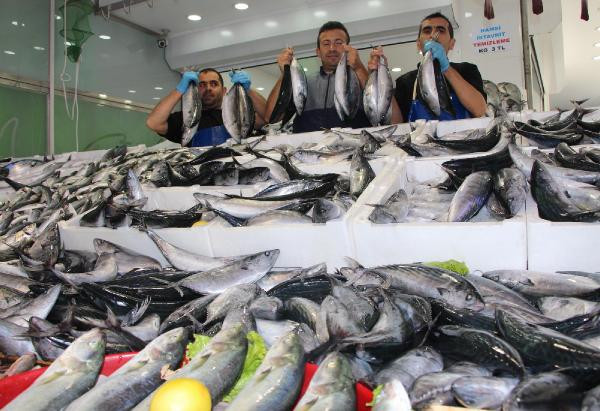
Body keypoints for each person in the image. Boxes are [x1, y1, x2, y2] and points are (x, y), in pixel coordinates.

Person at [266, 21, 402, 133]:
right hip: (307, 154)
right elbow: (271, 117)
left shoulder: (361, 77)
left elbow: (395, 121)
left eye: (338, 43)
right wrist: (285, 73)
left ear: (348, 48)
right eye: (326, 43)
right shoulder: (303, 82)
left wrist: (359, 68)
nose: (332, 48)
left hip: (355, 154)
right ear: (318, 52)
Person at [391, 12, 487, 122]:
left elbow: (480, 110)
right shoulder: (405, 81)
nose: (433, 35)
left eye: (441, 30)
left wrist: (446, 68)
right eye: (427, 31)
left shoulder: (467, 70)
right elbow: (396, 123)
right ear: (418, 44)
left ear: (452, 43)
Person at [146, 68, 267, 146]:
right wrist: (180, 89)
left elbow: (266, 117)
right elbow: (153, 123)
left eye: (214, 84)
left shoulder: (238, 115)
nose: (208, 88)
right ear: (196, 90)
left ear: (224, 91)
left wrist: (248, 90)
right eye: (202, 85)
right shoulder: (185, 118)